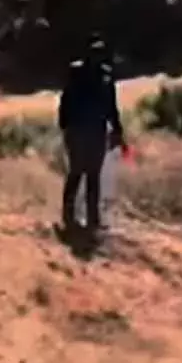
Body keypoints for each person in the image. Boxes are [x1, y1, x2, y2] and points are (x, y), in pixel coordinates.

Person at [57, 35, 126, 239]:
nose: (96, 56)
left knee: (93, 175)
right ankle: (69, 216)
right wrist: (65, 125)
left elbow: (111, 106)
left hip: (96, 131)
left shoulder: (105, 76)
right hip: (78, 129)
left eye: (99, 52)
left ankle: (92, 219)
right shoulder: (76, 72)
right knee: (77, 171)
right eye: (94, 52)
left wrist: (117, 130)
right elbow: (66, 100)